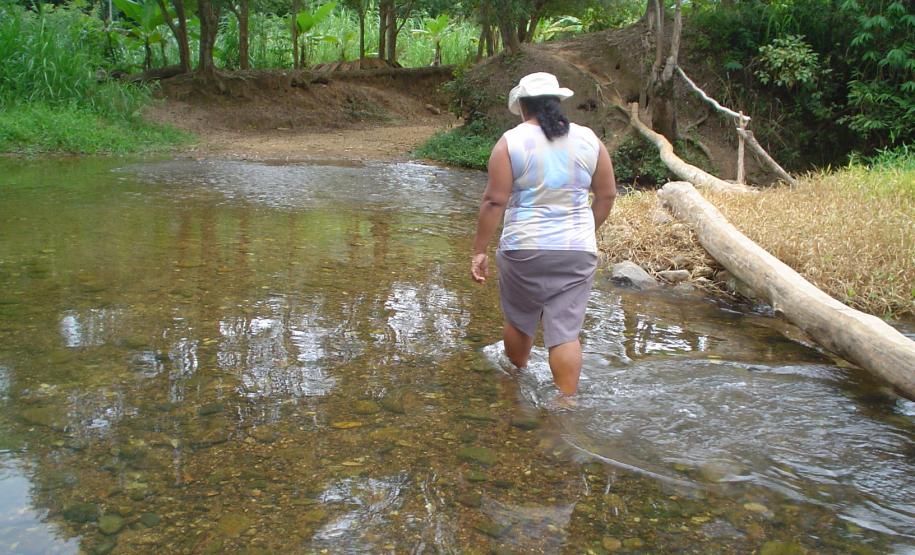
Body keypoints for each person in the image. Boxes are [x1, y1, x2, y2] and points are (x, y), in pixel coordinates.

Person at [471, 72, 617, 396]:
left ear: (522, 106)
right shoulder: (590, 140)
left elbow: (495, 200)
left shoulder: (511, 142)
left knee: (520, 318)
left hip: (523, 248)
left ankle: (515, 383)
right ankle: (566, 403)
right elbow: (607, 196)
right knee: (565, 333)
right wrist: (581, 234)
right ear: (557, 103)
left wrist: (479, 251)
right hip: (577, 249)